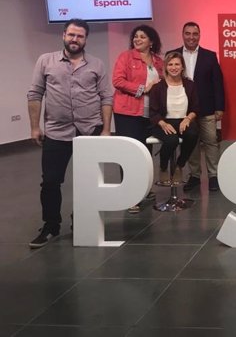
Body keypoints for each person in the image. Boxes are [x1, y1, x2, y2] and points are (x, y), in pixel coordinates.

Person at [27, 19, 113, 248]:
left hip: (90, 129)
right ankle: (51, 226)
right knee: (51, 182)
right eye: (71, 35)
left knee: (89, 181)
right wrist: (35, 127)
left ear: (86, 39)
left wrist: (106, 129)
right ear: (64, 35)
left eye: (80, 36)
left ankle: (82, 222)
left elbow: (106, 97)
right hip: (56, 131)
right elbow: (35, 94)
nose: (75, 39)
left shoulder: (96, 64)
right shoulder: (46, 61)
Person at [112, 24, 164, 213]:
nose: (138, 39)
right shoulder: (125, 57)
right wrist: (143, 88)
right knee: (130, 154)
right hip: (128, 112)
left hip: (149, 114)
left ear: (151, 41)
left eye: (142, 37)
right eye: (136, 36)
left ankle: (144, 188)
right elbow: (117, 81)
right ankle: (130, 196)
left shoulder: (158, 61)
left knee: (145, 152)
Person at [170, 22, 225, 193]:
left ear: (199, 35)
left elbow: (218, 83)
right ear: (182, 34)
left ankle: (213, 176)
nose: (191, 37)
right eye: (188, 33)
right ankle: (194, 175)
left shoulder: (210, 56)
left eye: (195, 34)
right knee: (190, 143)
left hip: (207, 108)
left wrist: (220, 107)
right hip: (182, 110)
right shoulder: (173, 55)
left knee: (211, 142)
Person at [149, 52, 200, 185]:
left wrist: (188, 119)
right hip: (162, 122)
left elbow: (196, 108)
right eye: (170, 64)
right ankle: (163, 166)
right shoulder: (158, 87)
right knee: (171, 140)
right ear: (165, 67)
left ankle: (180, 165)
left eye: (177, 64)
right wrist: (163, 124)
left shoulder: (190, 85)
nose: (174, 67)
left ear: (182, 67)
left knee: (193, 133)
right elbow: (153, 113)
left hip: (183, 120)